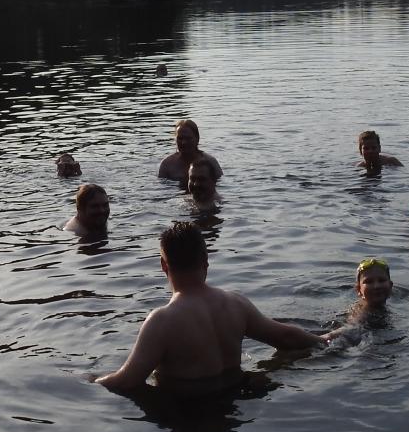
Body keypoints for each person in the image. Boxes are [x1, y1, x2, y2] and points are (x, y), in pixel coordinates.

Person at [95, 222, 326, 395]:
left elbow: (127, 382)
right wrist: (328, 338)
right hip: (235, 400)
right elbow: (287, 337)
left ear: (163, 265)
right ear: (206, 259)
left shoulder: (162, 321)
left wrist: (87, 381)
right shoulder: (236, 304)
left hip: (187, 412)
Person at [157, 119, 222, 184]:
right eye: (180, 138)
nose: (183, 142)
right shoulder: (167, 165)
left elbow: (220, 185)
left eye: (188, 138)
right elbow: (162, 187)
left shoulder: (210, 162)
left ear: (197, 139)